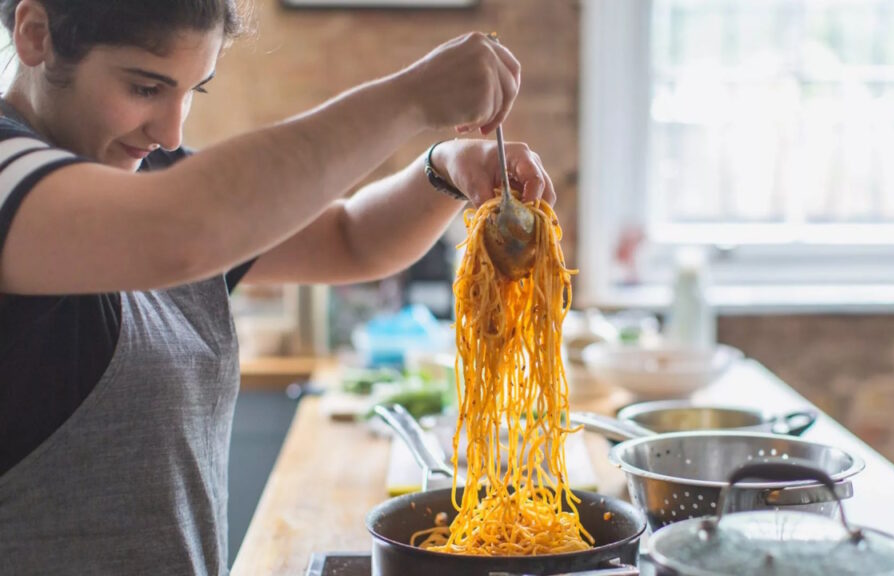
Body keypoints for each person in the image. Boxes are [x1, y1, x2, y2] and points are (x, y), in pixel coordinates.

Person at [0, 1, 556, 574]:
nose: (171, 131)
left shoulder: (155, 177)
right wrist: (411, 96)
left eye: (195, 91)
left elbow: (350, 238)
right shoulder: (13, 168)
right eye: (146, 88)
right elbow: (182, 230)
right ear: (36, 34)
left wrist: (443, 170)